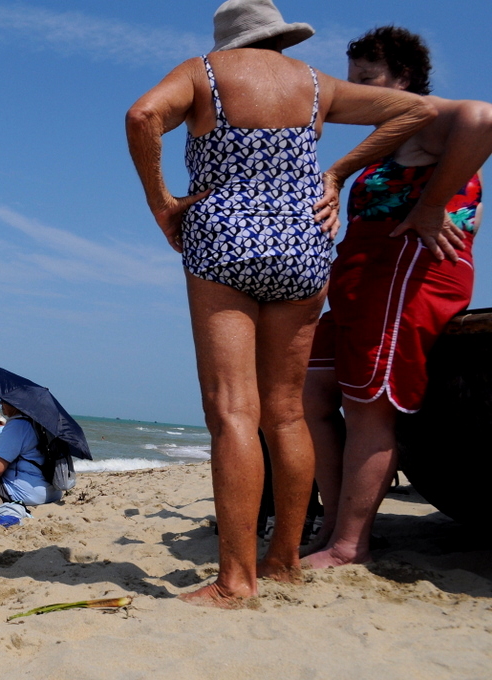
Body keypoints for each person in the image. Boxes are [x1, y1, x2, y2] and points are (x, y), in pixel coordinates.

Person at [125, 0, 436, 608]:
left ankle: (235, 581)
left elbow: (142, 116)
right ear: (279, 38)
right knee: (287, 414)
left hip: (224, 239)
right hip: (304, 241)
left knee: (233, 412)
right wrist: (337, 174)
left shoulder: (202, 72)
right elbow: (418, 109)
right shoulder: (317, 84)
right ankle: (284, 562)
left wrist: (162, 202)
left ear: (228, 39)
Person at [303, 27, 492, 569]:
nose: (357, 90)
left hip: (405, 275)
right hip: (361, 280)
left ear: (404, 78)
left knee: (369, 407)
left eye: (368, 78)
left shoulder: (427, 117)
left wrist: (432, 206)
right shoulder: (390, 134)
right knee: (310, 394)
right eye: (353, 79)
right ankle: (334, 524)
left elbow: (483, 118)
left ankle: (349, 544)